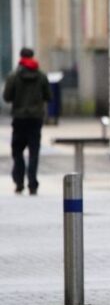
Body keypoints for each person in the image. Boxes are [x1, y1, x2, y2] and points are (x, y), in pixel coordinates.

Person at [3, 47, 51, 195]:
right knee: (34, 152)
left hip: (19, 119)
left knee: (17, 151)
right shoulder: (41, 76)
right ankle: (32, 184)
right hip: (35, 119)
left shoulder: (13, 76)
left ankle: (19, 182)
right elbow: (48, 96)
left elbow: (6, 97)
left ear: (21, 57)